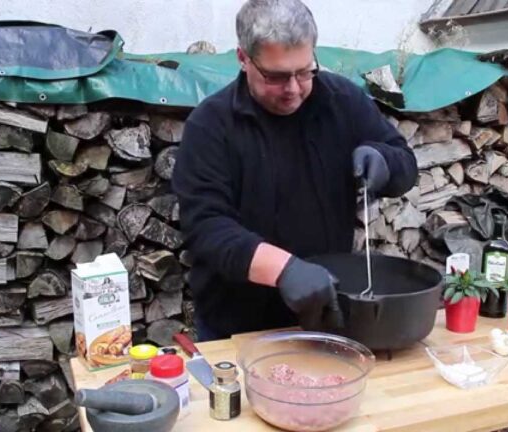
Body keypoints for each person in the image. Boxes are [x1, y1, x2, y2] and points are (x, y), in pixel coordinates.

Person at [172, 0, 418, 342]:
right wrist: (284, 270)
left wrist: (384, 162)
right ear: (244, 59)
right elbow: (207, 228)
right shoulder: (211, 126)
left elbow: (406, 163)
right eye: (276, 76)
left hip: (328, 316)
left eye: (304, 71)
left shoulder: (342, 101)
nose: (293, 89)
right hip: (236, 329)